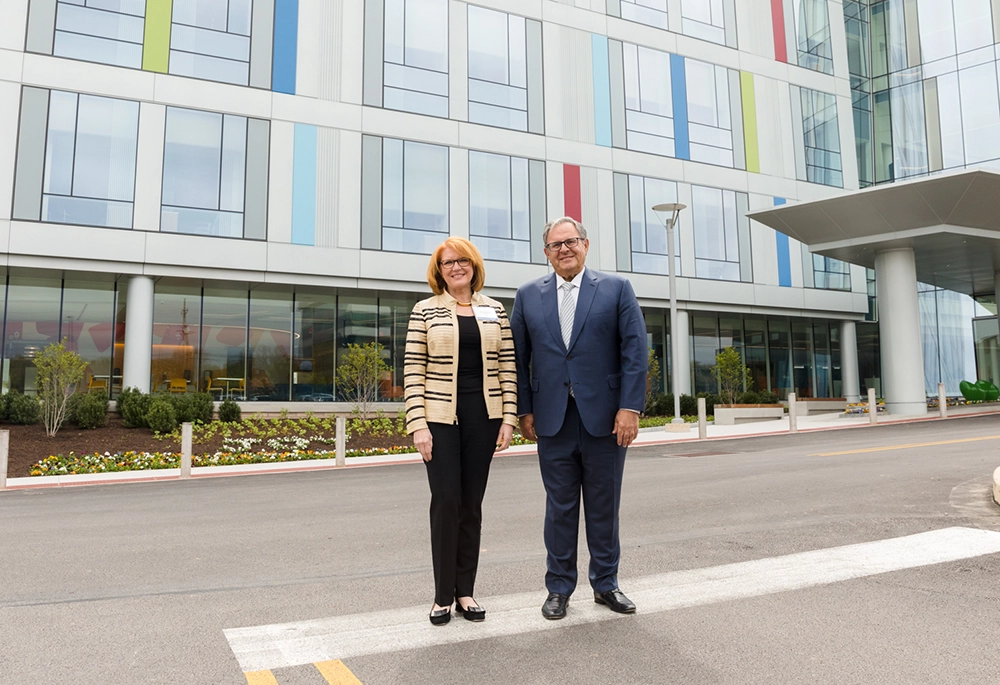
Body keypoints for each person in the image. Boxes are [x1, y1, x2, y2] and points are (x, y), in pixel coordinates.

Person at [510, 216, 647, 620]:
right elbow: (518, 361)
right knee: (560, 507)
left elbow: (634, 353)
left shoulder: (616, 289)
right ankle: (558, 588)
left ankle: (606, 584)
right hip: (552, 420)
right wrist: (525, 408)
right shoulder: (527, 295)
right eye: (556, 245)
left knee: (604, 505)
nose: (564, 249)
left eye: (571, 242)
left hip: (606, 419)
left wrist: (630, 407)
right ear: (547, 253)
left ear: (586, 245)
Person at [404, 237, 518, 626]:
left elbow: (507, 368)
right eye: (447, 262)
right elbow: (413, 371)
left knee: (471, 503)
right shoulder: (425, 311)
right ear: (439, 271)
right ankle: (441, 596)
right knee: (447, 499)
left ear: (473, 266)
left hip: (483, 417)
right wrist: (417, 423)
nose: (455, 267)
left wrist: (508, 418)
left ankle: (465, 591)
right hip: (438, 419)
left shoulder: (495, 310)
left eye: (461, 261)